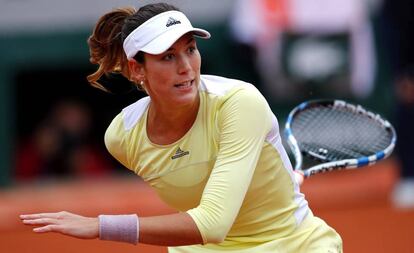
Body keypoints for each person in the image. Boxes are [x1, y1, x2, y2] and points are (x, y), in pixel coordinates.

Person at [20, 3, 342, 252]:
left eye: (190, 49)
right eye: (168, 56)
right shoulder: (122, 138)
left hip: (293, 245)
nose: (186, 67)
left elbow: (213, 223)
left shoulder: (240, 103)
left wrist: (99, 226)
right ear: (136, 69)